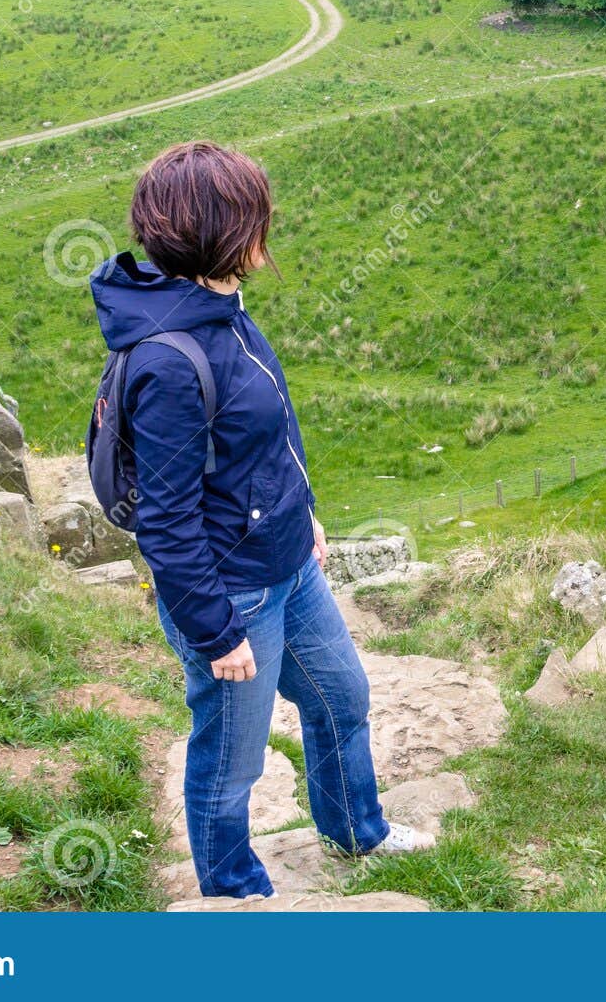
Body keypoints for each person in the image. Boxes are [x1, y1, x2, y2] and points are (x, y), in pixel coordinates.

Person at [91, 141, 433, 900]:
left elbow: (271, 428)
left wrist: (302, 512)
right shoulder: (171, 361)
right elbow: (168, 522)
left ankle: (357, 834)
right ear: (221, 232)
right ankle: (236, 892)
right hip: (232, 598)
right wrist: (217, 633)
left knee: (341, 698)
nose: (266, 233)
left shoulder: (220, 309)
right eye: (255, 217)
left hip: (289, 568)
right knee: (230, 762)